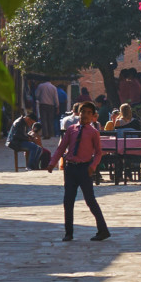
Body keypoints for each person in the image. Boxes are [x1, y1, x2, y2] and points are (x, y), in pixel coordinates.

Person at [53, 101, 110, 242]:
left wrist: (93, 166)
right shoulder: (71, 130)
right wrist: (51, 162)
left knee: (90, 200)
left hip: (85, 169)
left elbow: (98, 153)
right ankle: (69, 233)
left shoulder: (94, 133)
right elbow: (61, 148)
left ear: (93, 116)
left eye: (89, 113)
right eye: (83, 112)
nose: (85, 115)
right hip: (71, 168)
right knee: (68, 201)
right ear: (79, 113)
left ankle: (103, 230)